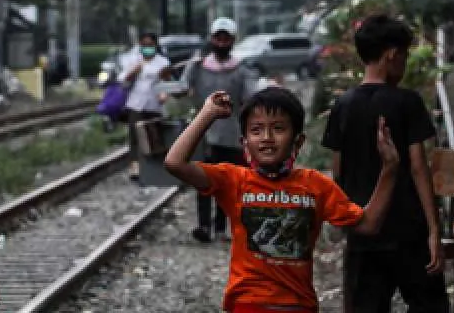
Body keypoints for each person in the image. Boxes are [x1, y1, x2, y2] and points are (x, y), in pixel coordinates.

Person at [165, 86, 401, 313]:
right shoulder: (234, 181)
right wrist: (207, 115)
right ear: (244, 143)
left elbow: (368, 224)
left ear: (298, 142)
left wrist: (390, 168)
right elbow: (175, 163)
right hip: (248, 304)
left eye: (278, 128)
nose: (267, 138)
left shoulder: (316, 186)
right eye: (256, 130)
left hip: (298, 305)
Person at [321, 14, 447, 313]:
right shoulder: (407, 102)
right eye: (403, 55)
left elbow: (337, 171)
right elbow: (419, 168)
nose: (403, 63)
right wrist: (433, 231)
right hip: (408, 232)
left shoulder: (344, 106)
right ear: (391, 55)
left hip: (363, 232)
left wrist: (346, 222)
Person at [173, 17, 258, 243]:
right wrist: (168, 82)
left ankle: (221, 227)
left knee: (226, 183)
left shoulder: (242, 70)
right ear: (211, 39)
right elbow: (181, 88)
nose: (221, 42)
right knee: (201, 181)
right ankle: (203, 225)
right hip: (202, 133)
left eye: (226, 38)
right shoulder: (197, 66)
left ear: (232, 40)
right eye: (218, 38)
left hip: (232, 134)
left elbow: (251, 97)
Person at [118, 31, 171, 180]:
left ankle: (156, 166)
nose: (147, 48)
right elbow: (123, 81)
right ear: (140, 46)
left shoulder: (163, 62)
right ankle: (135, 166)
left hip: (154, 104)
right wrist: (134, 71)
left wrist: (164, 95)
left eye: (150, 45)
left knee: (155, 136)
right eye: (144, 45)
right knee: (135, 136)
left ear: (155, 45)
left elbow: (168, 82)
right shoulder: (133, 60)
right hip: (136, 103)